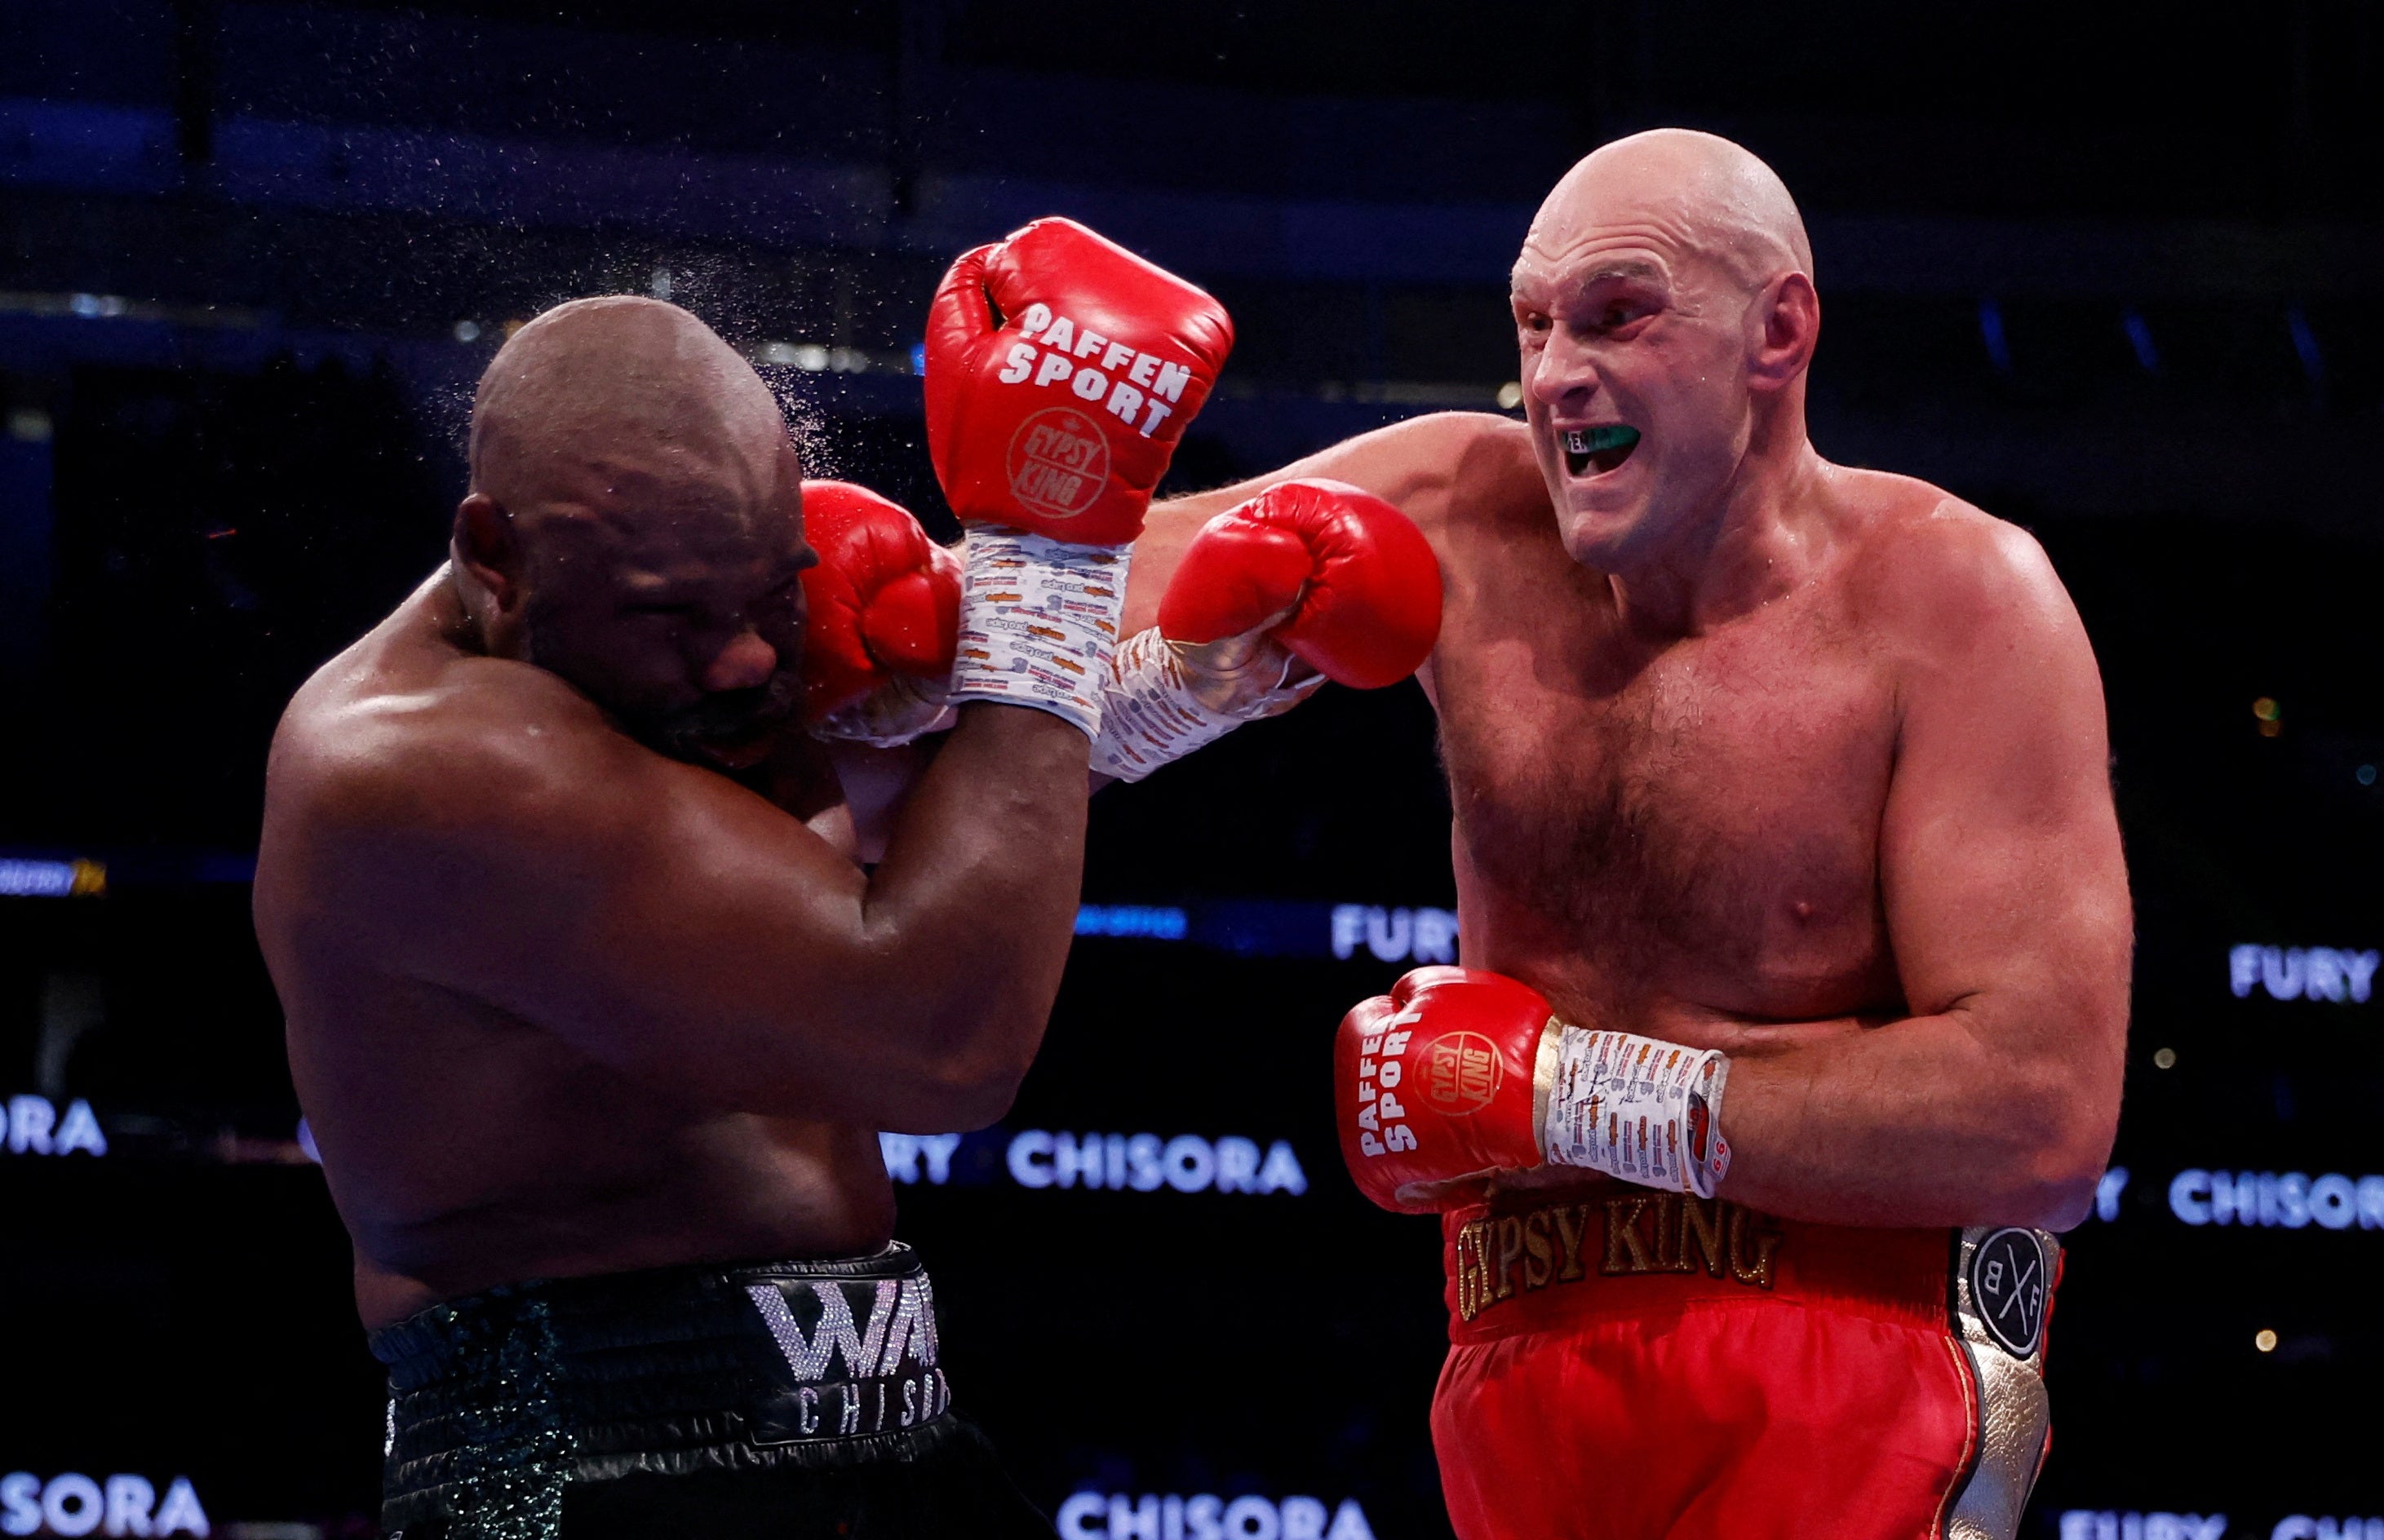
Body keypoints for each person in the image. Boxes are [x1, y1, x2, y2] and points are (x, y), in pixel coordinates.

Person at [1123, 130, 2131, 1540]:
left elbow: (2040, 1121)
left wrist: (1565, 1098)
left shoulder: (1953, 600)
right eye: (1532, 324)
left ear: (1777, 332)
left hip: (1848, 1367)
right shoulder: (1461, 514)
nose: (1552, 377)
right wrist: (1110, 638)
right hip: (1515, 1367)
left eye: (1615, 315)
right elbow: (1045, 637)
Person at [254, 216, 1240, 1539]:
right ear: (493, 557)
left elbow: (917, 855)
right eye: (669, 612)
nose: (735, 663)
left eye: (771, 600)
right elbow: (936, 1041)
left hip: (891, 1434)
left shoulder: (652, 689)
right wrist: (1047, 558)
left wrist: (1172, 688)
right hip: (585, 1473)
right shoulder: (423, 762)